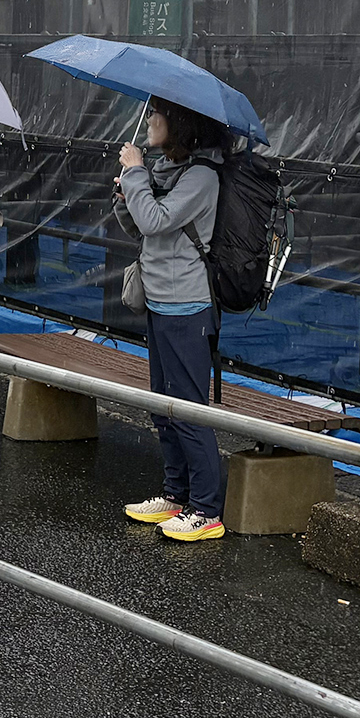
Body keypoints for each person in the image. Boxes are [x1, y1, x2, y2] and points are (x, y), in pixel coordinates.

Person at [116, 97, 228, 543]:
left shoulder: (201, 177)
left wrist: (136, 175)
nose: (150, 121)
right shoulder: (164, 171)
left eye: (158, 115)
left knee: (187, 410)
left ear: (179, 124)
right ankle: (176, 495)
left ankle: (206, 510)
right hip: (159, 303)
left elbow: (157, 220)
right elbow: (140, 226)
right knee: (163, 407)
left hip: (187, 308)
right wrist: (125, 193)